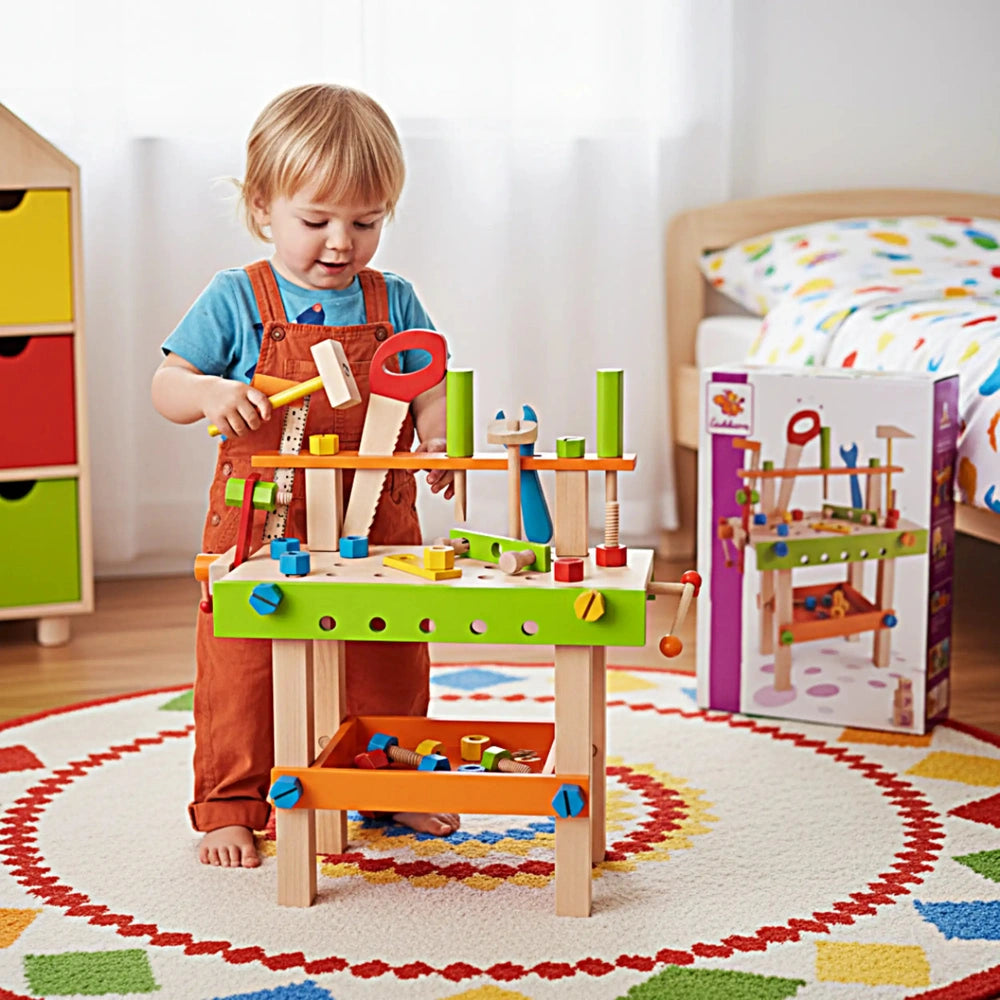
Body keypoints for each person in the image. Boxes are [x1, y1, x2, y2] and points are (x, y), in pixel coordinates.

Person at [152, 83, 459, 868]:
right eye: (315, 221)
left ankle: (389, 780)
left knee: (388, 649)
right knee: (244, 661)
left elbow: (429, 382)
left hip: (376, 517)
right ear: (262, 208)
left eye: (365, 222)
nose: (340, 243)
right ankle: (232, 799)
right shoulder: (238, 297)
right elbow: (166, 386)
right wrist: (212, 392)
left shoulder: (396, 299)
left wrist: (436, 437)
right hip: (266, 518)